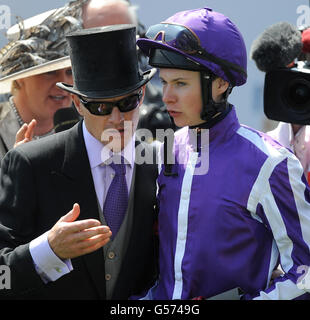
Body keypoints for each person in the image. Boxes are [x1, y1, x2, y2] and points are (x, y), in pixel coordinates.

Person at [136, 7, 310, 300]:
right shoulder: (166, 149)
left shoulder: (271, 162)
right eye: (164, 82)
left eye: (180, 83)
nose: (166, 96)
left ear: (221, 83)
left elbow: (306, 272)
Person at [0, 25, 158, 299]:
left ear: (142, 95)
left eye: (128, 102)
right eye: (101, 107)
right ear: (77, 103)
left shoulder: (160, 165)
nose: (117, 118)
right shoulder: (30, 163)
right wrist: (48, 250)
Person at [0, 1, 85, 163]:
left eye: (70, 72)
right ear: (20, 77)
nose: (63, 83)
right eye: (50, 72)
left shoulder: (89, 126)